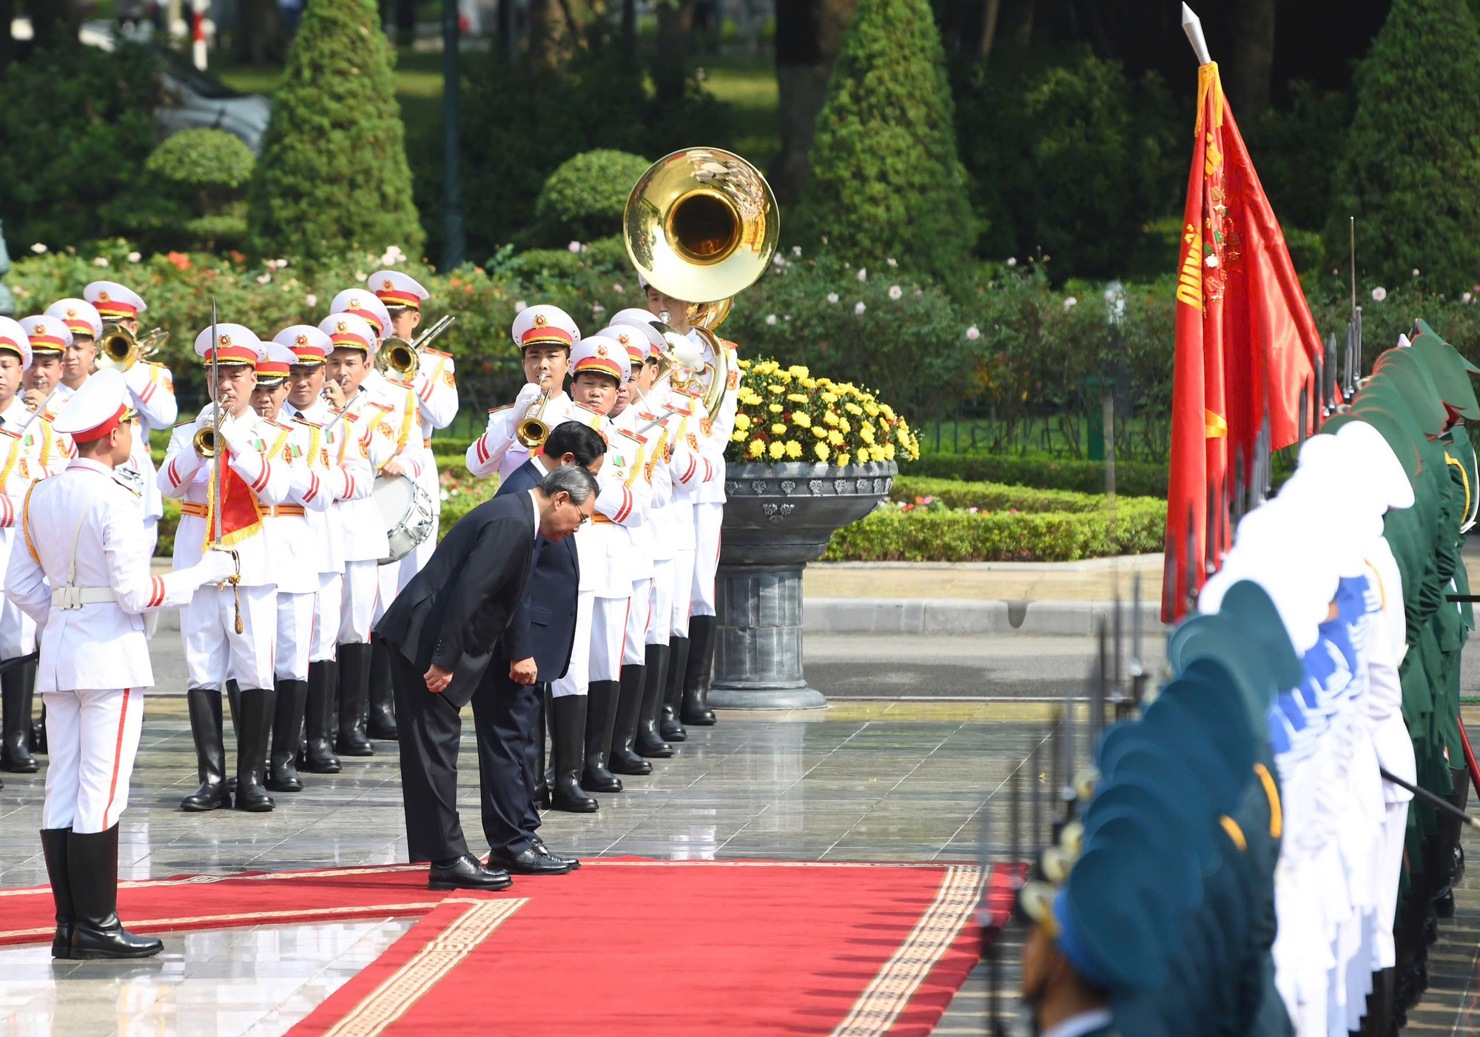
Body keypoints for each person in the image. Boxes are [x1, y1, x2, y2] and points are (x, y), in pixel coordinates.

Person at [5, 369, 234, 958]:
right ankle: (99, 925)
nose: (133, 430)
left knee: (63, 787)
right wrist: (203, 574)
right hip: (110, 654)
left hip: (60, 651)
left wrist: (64, 614)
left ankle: (69, 926)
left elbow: (21, 584)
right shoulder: (117, 498)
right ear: (111, 437)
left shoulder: (40, 493)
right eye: (128, 423)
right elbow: (137, 594)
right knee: (102, 791)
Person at [374, 463, 597, 892]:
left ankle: (458, 852)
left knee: (437, 750)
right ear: (561, 499)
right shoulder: (512, 522)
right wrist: (443, 660)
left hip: (436, 641)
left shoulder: (519, 518)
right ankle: (447, 858)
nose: (578, 528)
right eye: (581, 517)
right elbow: (470, 594)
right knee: (433, 753)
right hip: (424, 641)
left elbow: (504, 598)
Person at [159, 325, 290, 814]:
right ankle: (211, 778)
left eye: (236, 374)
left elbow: (275, 490)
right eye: (217, 375)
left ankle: (251, 777)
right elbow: (168, 485)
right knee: (201, 671)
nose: (226, 385)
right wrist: (199, 443)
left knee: (255, 670)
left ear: (255, 378)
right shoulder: (186, 434)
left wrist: (235, 440)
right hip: (198, 565)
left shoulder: (271, 436)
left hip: (250, 564)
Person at [481, 421, 606, 874]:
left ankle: (522, 834)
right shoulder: (522, 493)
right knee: (511, 745)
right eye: (591, 475)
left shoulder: (541, 486)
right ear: (568, 464)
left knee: (525, 744)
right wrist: (520, 649)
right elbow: (511, 583)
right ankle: (512, 841)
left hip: (537, 644)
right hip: (520, 646)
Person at [279, 324, 373, 776]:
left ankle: (318, 737)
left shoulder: (339, 424)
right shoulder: (269, 423)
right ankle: (284, 739)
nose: (300, 382)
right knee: (281, 647)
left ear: (322, 373)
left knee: (322, 642)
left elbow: (362, 477)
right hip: (278, 548)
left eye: (309, 371)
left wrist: (324, 484)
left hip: (323, 544)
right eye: (292, 372)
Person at [318, 313, 399, 757]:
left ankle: (351, 722)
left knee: (356, 627)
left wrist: (343, 414)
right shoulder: (306, 409)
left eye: (350, 362)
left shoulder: (377, 409)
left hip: (359, 528)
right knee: (322, 628)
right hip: (320, 530)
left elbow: (388, 458)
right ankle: (322, 724)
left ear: (367, 365)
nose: (340, 372)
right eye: (333, 363)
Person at [250, 341, 322, 794]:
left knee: (294, 659)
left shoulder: (310, 434)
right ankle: (252, 764)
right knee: (254, 662)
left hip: (294, 549)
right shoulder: (232, 433)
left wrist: (288, 474)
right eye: (259, 388)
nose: (267, 398)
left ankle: (284, 757)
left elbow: (327, 488)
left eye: (274, 389)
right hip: (250, 550)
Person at [0, 318, 67, 775]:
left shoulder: (37, 425)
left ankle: (16, 737)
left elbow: (55, 478)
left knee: (17, 637)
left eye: (6, 365)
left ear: (22, 369)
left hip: (13, 543)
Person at [84, 281, 178, 556]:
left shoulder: (150, 373)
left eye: (116, 325)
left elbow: (165, 418)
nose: (107, 332)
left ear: (133, 328)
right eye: (101, 326)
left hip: (136, 480)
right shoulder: (84, 372)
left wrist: (128, 366)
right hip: (91, 473)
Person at [466, 305, 580, 482]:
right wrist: (512, 421)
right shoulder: (503, 417)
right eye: (534, 356)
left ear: (568, 364)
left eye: (552, 356)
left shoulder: (585, 418)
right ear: (523, 364)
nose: (542, 364)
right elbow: (476, 468)